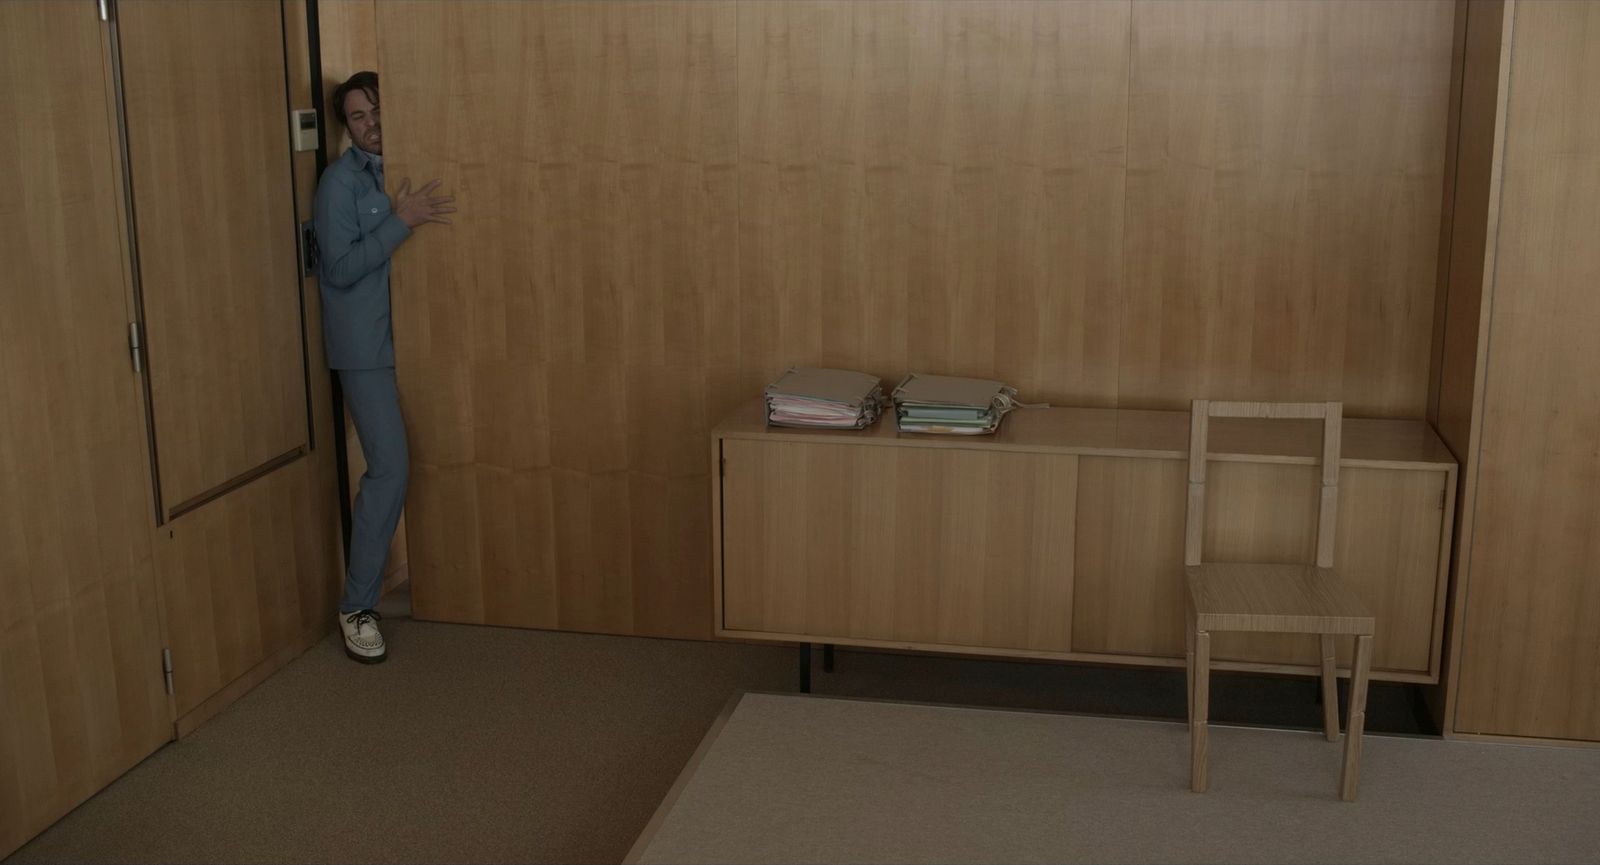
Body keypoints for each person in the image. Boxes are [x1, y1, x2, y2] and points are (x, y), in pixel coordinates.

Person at [314, 71, 453, 663]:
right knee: (390, 468)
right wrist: (402, 221)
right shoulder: (337, 184)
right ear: (346, 126)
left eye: (377, 110)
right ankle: (358, 606)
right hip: (364, 350)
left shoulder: (414, 160)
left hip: (419, 343)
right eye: (359, 117)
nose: (373, 125)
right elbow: (339, 269)